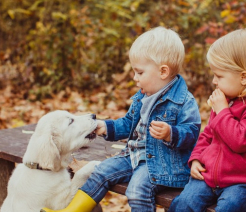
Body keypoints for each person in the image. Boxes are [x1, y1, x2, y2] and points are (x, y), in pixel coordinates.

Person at [41, 26, 201, 212]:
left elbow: (192, 133)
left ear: (163, 72)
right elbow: (128, 124)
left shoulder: (183, 101)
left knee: (137, 190)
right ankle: (70, 211)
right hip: (133, 156)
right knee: (100, 172)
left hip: (161, 165)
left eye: (139, 73)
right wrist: (106, 127)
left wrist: (170, 133)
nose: (134, 78)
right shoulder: (143, 96)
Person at [168, 27, 246, 212]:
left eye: (219, 76)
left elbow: (240, 141)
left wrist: (223, 111)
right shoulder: (226, 102)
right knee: (183, 203)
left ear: (244, 77)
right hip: (211, 178)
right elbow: (207, 135)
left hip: (243, 184)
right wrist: (196, 159)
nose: (214, 81)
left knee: (229, 207)